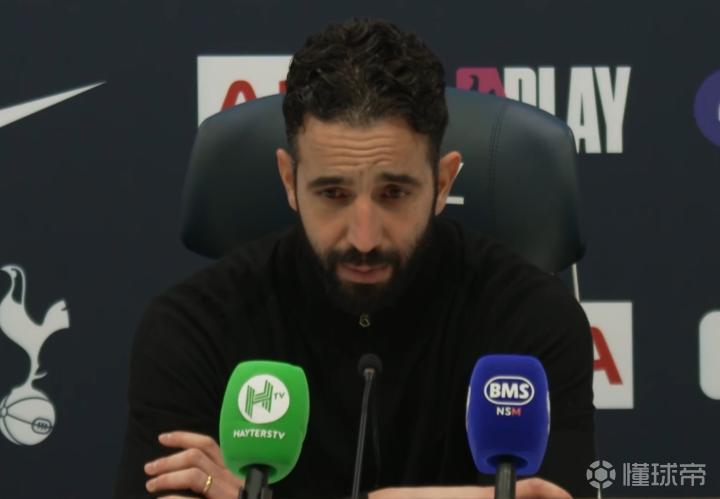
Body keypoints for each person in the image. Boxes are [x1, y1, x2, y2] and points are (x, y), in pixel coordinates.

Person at [114, 18, 596, 499]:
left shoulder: (533, 321)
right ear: (289, 180)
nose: (364, 238)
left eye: (393, 193)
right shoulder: (194, 327)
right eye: (333, 193)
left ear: (442, 183)